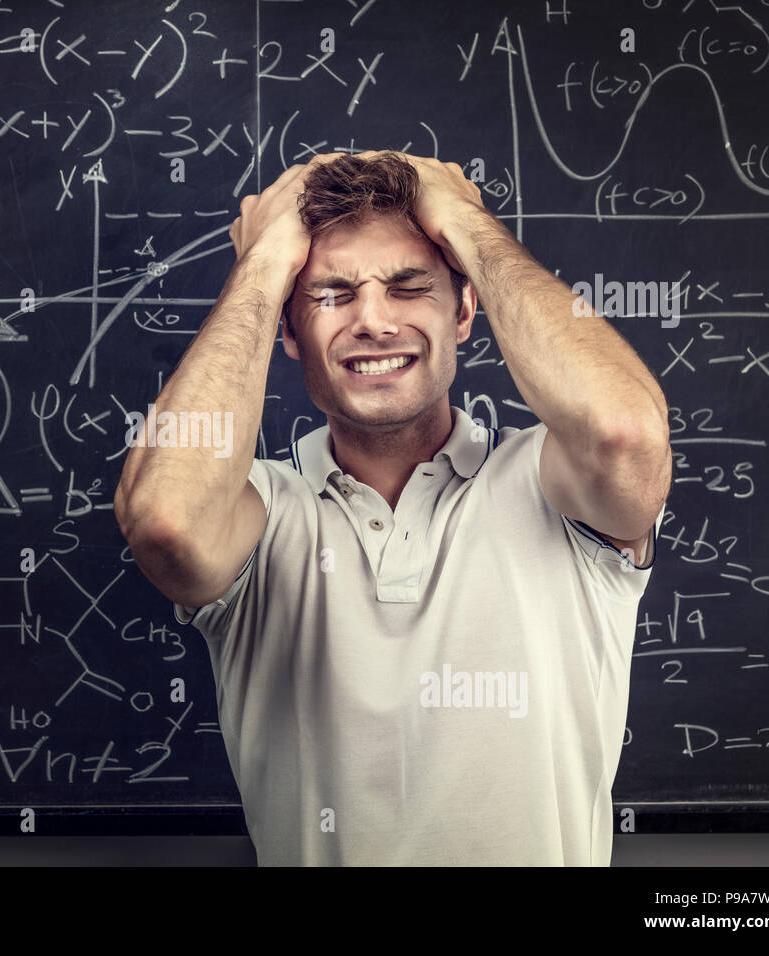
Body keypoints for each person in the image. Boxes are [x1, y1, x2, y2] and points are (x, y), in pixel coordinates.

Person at [113, 150, 672, 865]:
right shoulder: (263, 514)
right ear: (286, 331)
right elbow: (166, 519)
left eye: (409, 287)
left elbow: (626, 433)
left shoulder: (551, 486)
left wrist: (466, 222)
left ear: (467, 308)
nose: (373, 322)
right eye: (331, 296)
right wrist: (265, 261)